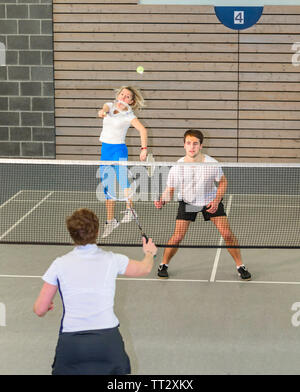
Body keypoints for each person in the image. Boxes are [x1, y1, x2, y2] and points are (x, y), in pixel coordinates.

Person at [33, 208, 157, 375]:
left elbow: (40, 309)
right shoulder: (113, 259)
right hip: (107, 341)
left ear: (71, 234)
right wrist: (149, 253)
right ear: (97, 231)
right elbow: (145, 268)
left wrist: (46, 306)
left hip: (72, 343)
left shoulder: (59, 264)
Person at [154, 129, 251, 281]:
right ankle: (163, 264)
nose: (191, 147)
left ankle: (240, 266)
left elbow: (223, 181)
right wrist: (162, 200)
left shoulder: (212, 164)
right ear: (184, 145)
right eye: (188, 143)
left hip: (209, 202)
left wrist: (217, 199)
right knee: (178, 236)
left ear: (201, 146)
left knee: (226, 234)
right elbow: (170, 189)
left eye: (195, 143)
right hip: (189, 203)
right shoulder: (177, 167)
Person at [98, 86, 148, 238]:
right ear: (118, 96)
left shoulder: (129, 115)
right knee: (107, 184)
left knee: (121, 178)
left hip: (118, 150)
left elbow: (143, 130)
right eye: (122, 94)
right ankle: (110, 220)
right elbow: (104, 108)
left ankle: (129, 210)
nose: (124, 98)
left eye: (128, 97)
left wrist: (144, 148)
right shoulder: (110, 105)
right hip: (105, 150)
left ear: (131, 102)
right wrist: (103, 111)